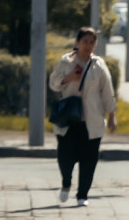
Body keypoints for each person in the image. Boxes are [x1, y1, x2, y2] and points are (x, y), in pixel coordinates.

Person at [49, 27, 117, 207]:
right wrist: (68, 78)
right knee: (65, 156)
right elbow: (53, 84)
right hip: (68, 119)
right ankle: (66, 183)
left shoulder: (98, 64)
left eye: (92, 42)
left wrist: (112, 115)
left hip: (91, 120)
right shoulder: (66, 62)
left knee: (89, 159)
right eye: (85, 42)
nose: (88, 45)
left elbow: (107, 91)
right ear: (77, 43)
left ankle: (82, 195)